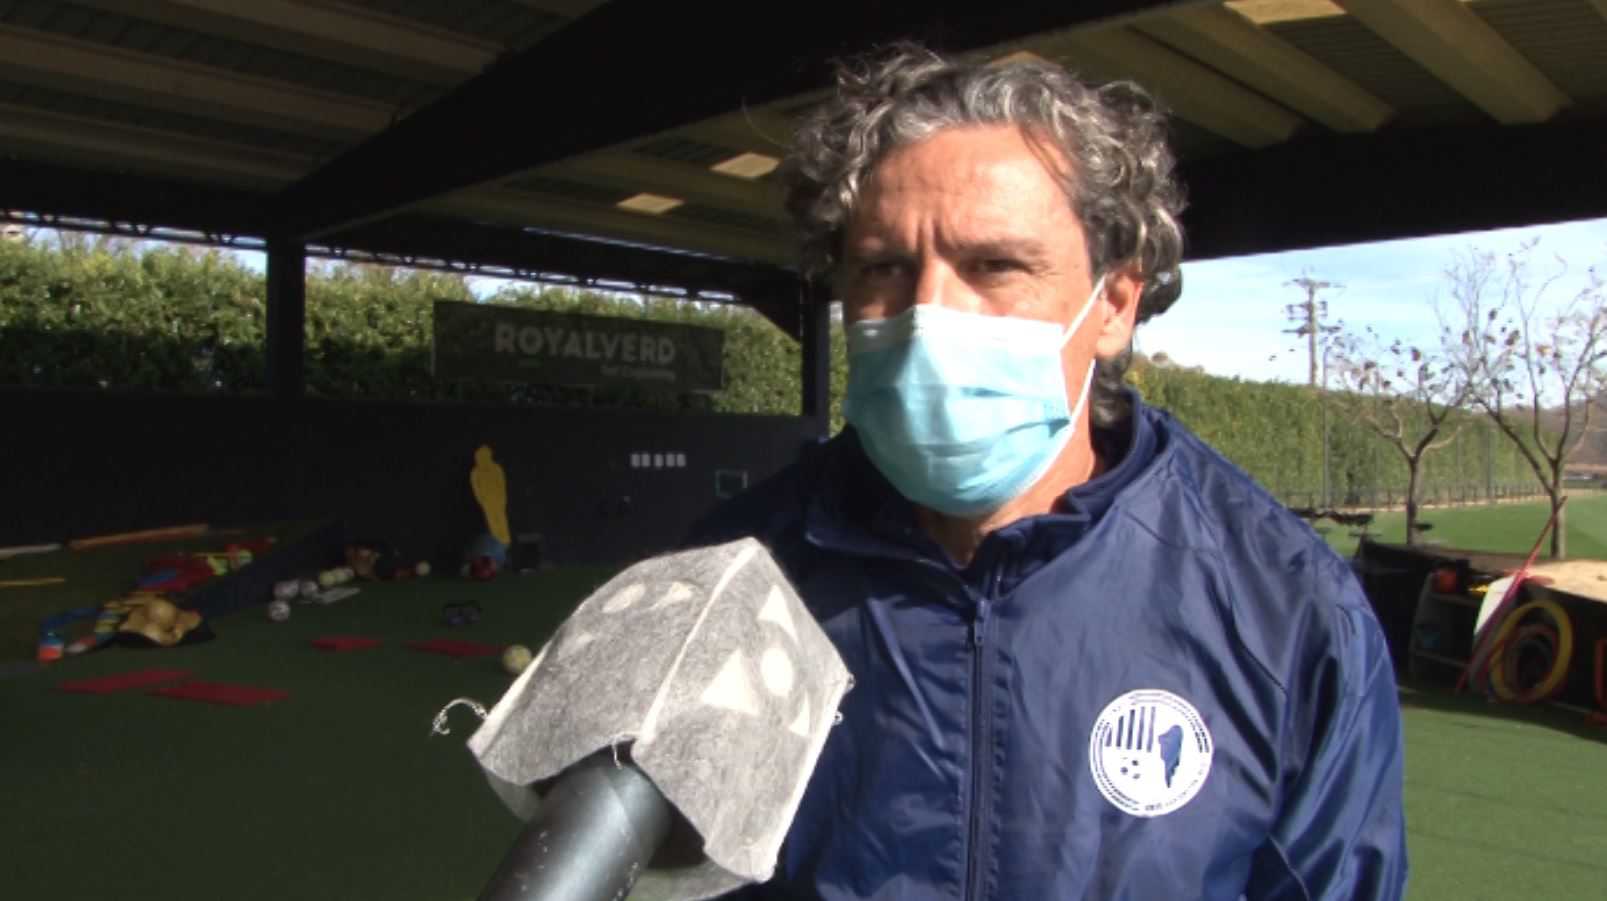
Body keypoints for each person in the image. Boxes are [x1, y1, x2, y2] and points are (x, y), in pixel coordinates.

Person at [690, 41, 1407, 900]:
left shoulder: (1286, 608)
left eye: (994, 265)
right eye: (883, 267)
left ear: (1114, 305)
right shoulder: (729, 576)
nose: (927, 315)